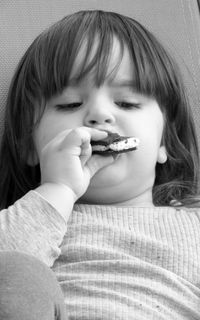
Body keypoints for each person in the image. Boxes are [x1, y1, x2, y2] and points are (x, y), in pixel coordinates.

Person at [0, 9, 200, 319]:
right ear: (29, 145)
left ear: (164, 143)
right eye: (70, 104)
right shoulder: (23, 221)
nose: (99, 115)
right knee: (17, 271)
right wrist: (57, 190)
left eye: (127, 103)